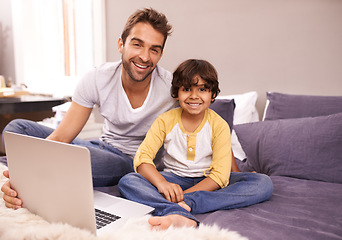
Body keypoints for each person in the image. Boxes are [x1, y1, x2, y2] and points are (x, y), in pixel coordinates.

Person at [1, 8, 178, 209]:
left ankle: (31, 176)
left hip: (133, 161)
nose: (145, 57)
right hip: (99, 147)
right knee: (16, 130)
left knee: (74, 161)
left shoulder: (172, 88)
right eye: (137, 45)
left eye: (154, 49)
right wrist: (28, 172)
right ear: (121, 44)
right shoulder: (97, 78)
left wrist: (25, 178)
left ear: (160, 54)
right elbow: (61, 137)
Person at [118, 59, 273, 230]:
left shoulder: (218, 125)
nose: (194, 96)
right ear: (177, 93)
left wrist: (184, 196)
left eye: (202, 89)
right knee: (129, 180)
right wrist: (163, 184)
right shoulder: (165, 120)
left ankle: (184, 205)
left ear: (212, 94)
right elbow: (142, 159)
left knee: (263, 183)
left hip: (209, 182)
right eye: (186, 89)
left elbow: (220, 176)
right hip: (173, 179)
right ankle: (176, 211)